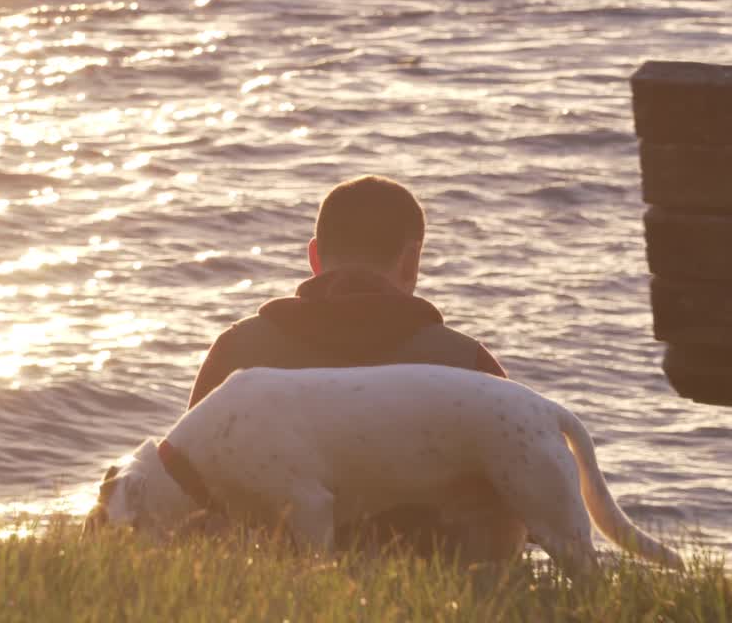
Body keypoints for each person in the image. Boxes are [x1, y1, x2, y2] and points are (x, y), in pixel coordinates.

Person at [186, 175, 512, 557]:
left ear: (314, 257)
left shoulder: (237, 353)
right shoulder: (467, 365)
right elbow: (527, 498)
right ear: (411, 261)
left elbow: (188, 487)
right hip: (438, 589)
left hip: (266, 583)